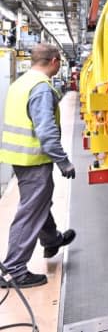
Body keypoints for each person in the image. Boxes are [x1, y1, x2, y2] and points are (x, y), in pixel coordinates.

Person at [0, 43, 76, 289]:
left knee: (39, 202)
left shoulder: (20, 83)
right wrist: (63, 161)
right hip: (34, 159)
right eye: (60, 62)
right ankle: (14, 270)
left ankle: (51, 240)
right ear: (54, 60)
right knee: (30, 211)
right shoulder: (42, 89)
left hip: (20, 158)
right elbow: (46, 131)